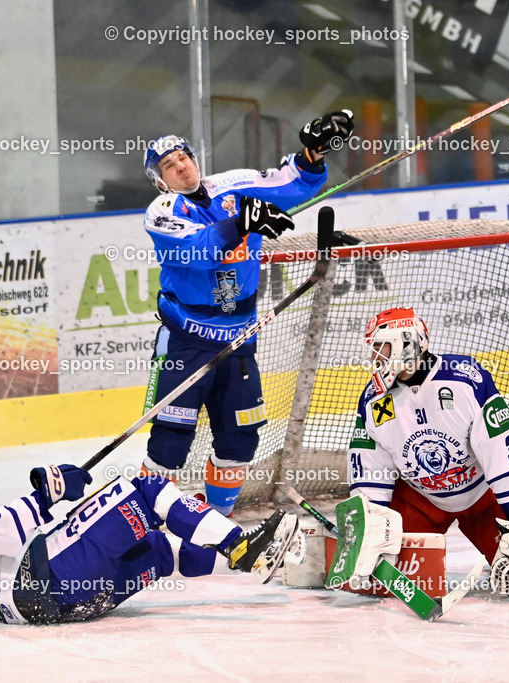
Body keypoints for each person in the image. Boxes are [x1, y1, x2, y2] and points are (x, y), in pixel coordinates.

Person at [139, 110, 354, 516]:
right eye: (169, 165)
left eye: (183, 156)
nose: (181, 166)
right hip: (188, 344)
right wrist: (242, 222)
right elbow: (200, 251)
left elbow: (291, 186)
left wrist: (313, 155)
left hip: (239, 342)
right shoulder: (162, 212)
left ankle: (213, 522)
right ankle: (142, 526)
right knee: (170, 443)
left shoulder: (233, 185)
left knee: (240, 442)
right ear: (160, 179)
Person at [0, 461, 300, 624]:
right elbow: (5, 532)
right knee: (146, 492)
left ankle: (267, 564)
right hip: (47, 575)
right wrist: (47, 491)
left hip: (48, 610)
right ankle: (241, 545)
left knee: (155, 548)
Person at [341, 307, 509, 596]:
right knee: (377, 585)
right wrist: (370, 523)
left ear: (406, 344)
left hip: (484, 497)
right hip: (421, 500)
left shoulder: (463, 379)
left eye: (380, 347)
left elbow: (500, 447)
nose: (374, 357)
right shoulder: (373, 401)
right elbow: (371, 467)